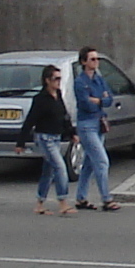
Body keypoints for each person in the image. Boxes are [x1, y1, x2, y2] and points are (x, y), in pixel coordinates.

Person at [22, 62, 77, 215]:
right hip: (44, 138)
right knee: (60, 167)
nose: (59, 82)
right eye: (56, 79)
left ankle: (39, 203)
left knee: (49, 171)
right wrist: (21, 142)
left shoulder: (58, 95)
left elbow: (64, 116)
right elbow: (30, 121)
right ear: (47, 80)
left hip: (56, 137)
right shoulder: (40, 99)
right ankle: (63, 202)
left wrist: (71, 133)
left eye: (60, 78)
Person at [70, 49, 121, 212]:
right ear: (84, 62)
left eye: (97, 59)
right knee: (101, 161)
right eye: (92, 59)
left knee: (89, 163)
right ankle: (106, 199)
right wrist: (100, 100)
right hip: (86, 124)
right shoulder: (80, 82)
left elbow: (109, 99)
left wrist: (98, 100)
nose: (96, 61)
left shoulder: (99, 79)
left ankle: (81, 197)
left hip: (99, 122)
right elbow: (85, 103)